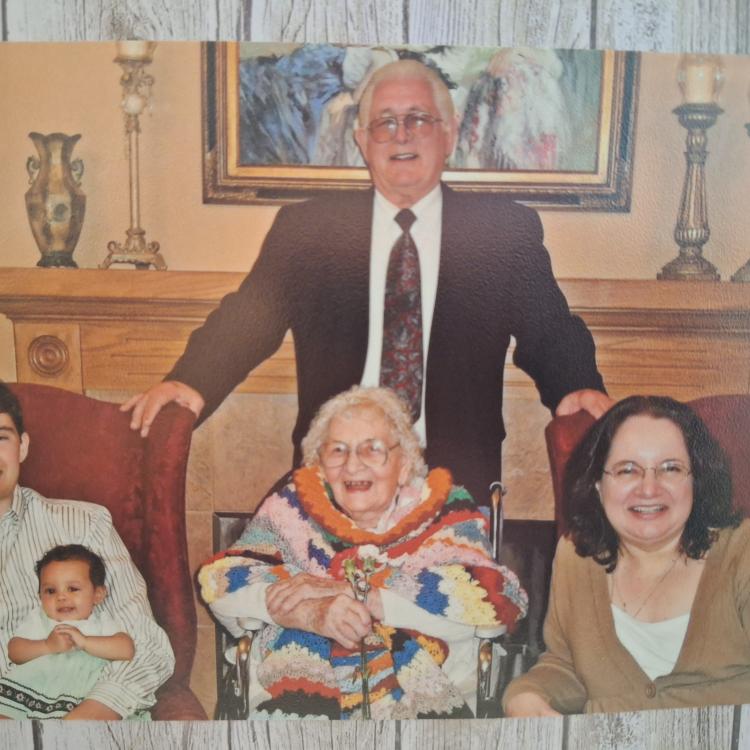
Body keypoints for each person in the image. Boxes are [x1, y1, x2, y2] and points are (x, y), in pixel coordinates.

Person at [122, 58, 611, 507]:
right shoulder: (310, 230)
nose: (402, 136)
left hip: (453, 484)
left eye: (419, 119)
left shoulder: (500, 233)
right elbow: (248, 319)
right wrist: (190, 380)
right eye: (385, 123)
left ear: (450, 134)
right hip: (336, 477)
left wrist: (578, 385)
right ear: (362, 140)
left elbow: (550, 330)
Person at [199, 385, 528, 719]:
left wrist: (364, 596)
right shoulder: (290, 510)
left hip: (431, 699)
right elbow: (222, 583)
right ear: (320, 464)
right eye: (337, 451)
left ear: (403, 464)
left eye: (373, 450)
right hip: (293, 700)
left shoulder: (445, 512)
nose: (353, 466)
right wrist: (307, 613)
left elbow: (490, 603)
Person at [503, 395, 750, 716]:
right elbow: (567, 665)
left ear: (697, 480)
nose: (649, 489)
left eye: (671, 468)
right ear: (597, 484)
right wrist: (526, 694)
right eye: (627, 470)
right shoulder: (576, 557)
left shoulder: (741, 550)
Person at [0, 383, 174, 720]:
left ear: (22, 447)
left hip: (82, 722)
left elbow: (148, 647)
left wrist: (73, 731)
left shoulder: (83, 524)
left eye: (0, 437)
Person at [0, 544, 137, 719]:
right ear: (40, 596)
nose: (61, 597)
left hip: (79, 699)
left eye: (72, 589)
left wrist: (86, 642)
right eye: (50, 591)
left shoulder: (100, 622)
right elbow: (14, 651)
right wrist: (47, 646)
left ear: (98, 594)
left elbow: (126, 649)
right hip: (30, 692)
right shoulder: (40, 619)